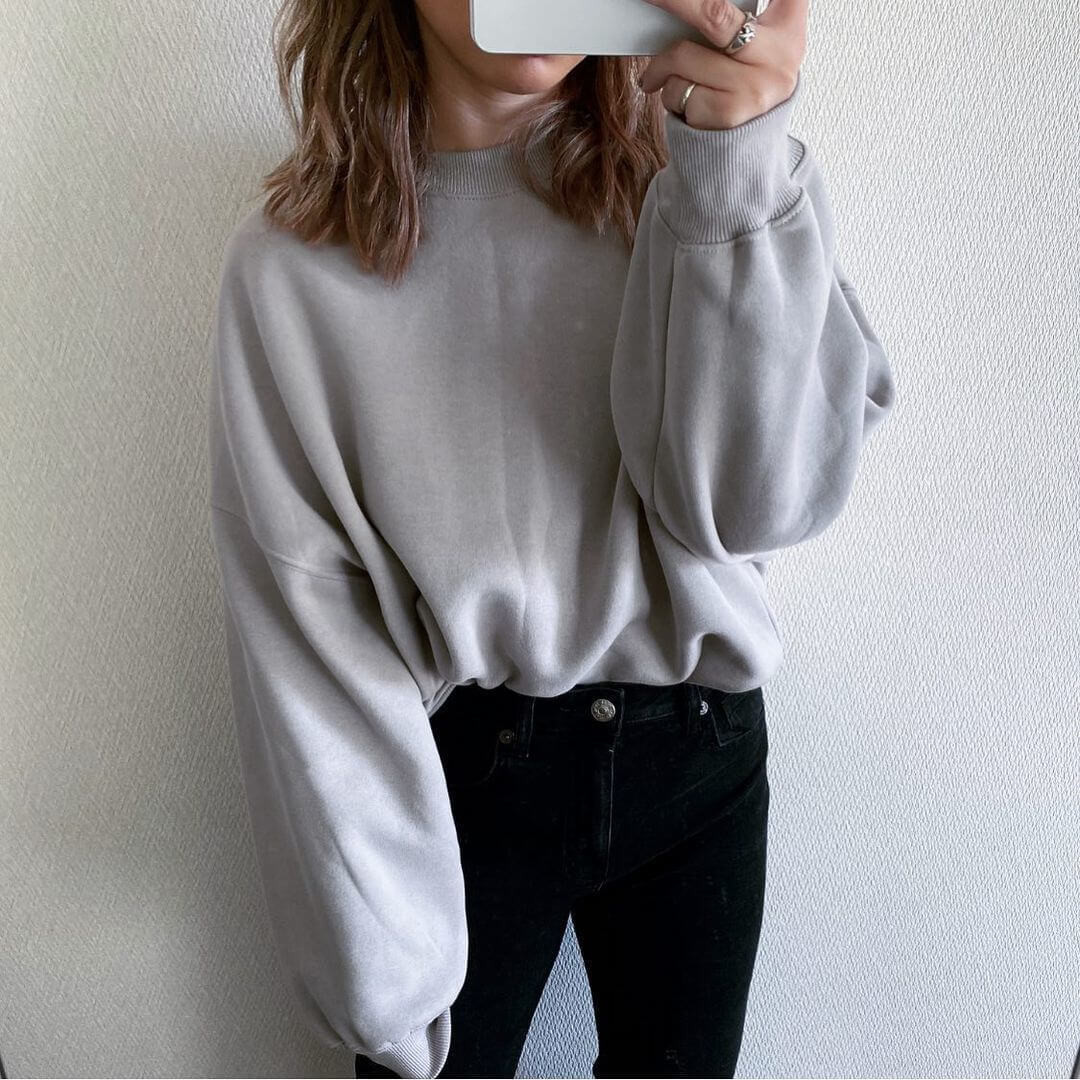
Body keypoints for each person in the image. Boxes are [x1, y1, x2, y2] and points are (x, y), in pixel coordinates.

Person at [206, 0, 896, 1076]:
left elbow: (754, 507)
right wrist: (377, 975)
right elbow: (306, 629)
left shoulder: (689, 181)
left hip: (701, 753)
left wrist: (738, 172)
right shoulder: (291, 267)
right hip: (463, 777)